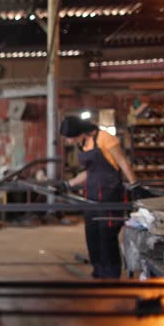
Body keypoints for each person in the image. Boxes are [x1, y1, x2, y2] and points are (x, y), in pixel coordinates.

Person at [58, 115, 147, 279]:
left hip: (110, 195)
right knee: (92, 237)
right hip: (91, 197)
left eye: (70, 137)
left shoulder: (105, 138)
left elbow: (122, 162)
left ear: (81, 132)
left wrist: (135, 185)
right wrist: (67, 184)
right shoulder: (83, 144)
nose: (69, 141)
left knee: (107, 237)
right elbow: (89, 172)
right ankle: (98, 272)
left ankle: (111, 274)